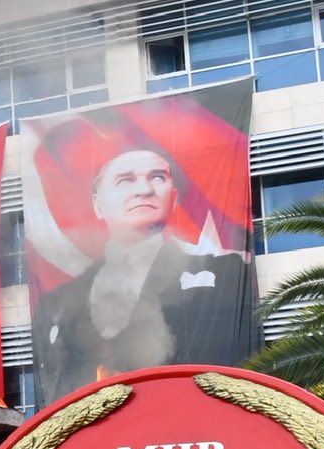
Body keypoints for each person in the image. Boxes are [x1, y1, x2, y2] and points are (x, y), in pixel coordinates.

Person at [31, 141, 253, 400]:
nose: (145, 190)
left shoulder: (226, 275)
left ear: (173, 198)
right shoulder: (58, 303)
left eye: (157, 178)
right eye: (126, 180)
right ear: (98, 205)